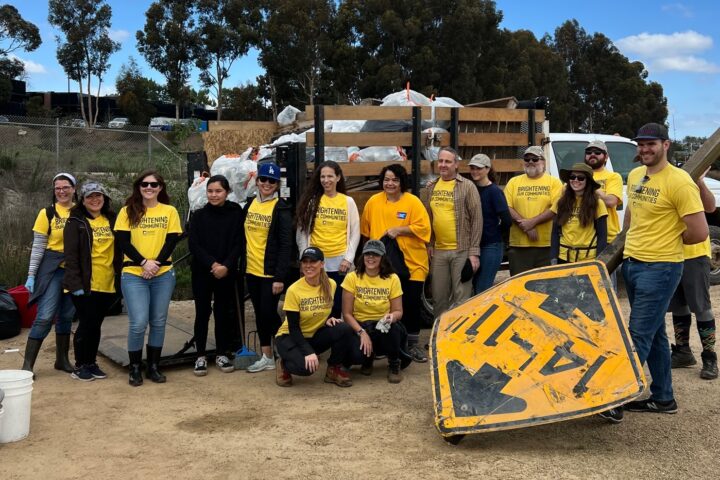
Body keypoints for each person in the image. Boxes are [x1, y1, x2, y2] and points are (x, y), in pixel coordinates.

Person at [619, 123, 708, 419]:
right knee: (655, 333)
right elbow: (633, 212)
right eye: (641, 144)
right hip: (632, 264)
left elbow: (698, 232)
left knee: (638, 334)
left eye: (651, 144)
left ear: (666, 145)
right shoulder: (635, 175)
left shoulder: (680, 182)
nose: (644, 149)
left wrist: (667, 239)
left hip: (661, 267)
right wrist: (629, 237)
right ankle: (664, 398)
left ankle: (613, 399)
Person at [115, 170, 182, 386]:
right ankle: (135, 367)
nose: (149, 188)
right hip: (134, 273)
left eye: (154, 185)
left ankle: (154, 366)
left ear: (160, 188)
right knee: (138, 322)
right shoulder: (127, 211)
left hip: (162, 274)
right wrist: (145, 263)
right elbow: (123, 242)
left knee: (158, 321)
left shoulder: (169, 211)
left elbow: (172, 241)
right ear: (139, 187)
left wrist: (156, 265)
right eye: (145, 184)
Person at [360, 164, 431, 362]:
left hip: (412, 262)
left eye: (395, 180)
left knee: (411, 303)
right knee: (386, 303)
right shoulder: (373, 202)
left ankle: (412, 344)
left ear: (402, 182)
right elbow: (366, 234)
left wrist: (399, 230)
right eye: (387, 179)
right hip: (385, 264)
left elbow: (424, 228)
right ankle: (387, 343)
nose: (390, 184)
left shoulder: (413, 202)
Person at [62, 182, 122, 382]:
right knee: (86, 324)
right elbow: (70, 256)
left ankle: (91, 363)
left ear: (105, 199)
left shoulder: (112, 219)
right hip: (86, 283)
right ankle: (80, 365)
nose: (95, 200)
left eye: (98, 196)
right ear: (83, 200)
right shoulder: (75, 221)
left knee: (96, 324)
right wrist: (74, 284)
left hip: (107, 281)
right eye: (90, 197)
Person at [274, 247, 356, 388]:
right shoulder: (294, 290)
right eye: (305, 262)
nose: (308, 265)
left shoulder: (331, 284)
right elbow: (293, 328)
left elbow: (324, 307)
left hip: (313, 335)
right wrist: (309, 352)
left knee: (344, 328)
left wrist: (328, 318)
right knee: (307, 368)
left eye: (313, 261)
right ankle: (283, 364)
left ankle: (333, 369)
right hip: (289, 337)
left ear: (322, 264)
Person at [21, 173, 78, 377]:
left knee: (66, 316)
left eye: (65, 187)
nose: (61, 191)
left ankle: (62, 360)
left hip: (74, 270)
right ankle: (27, 365)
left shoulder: (82, 212)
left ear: (73, 189)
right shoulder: (47, 213)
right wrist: (31, 275)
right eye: (57, 188)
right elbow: (38, 246)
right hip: (52, 269)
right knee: (45, 316)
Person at [188, 175, 243, 377]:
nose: (213, 195)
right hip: (203, 271)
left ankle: (221, 352)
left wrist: (226, 266)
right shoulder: (199, 216)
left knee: (222, 312)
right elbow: (194, 244)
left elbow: (239, 242)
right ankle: (200, 355)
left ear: (226, 192)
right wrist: (213, 264)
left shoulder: (235, 213)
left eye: (218, 191)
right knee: (202, 312)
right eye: (210, 191)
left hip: (226, 272)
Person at [241, 163, 292, 374]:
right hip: (251, 270)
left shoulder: (281, 209)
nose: (267, 184)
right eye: (263, 180)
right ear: (257, 181)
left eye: (272, 181)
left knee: (268, 313)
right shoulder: (250, 204)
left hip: (270, 273)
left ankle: (285, 349)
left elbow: (286, 245)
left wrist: (280, 277)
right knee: (261, 314)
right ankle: (268, 355)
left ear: (277, 184)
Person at [669, 170, 718, 380]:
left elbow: (710, 207)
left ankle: (710, 357)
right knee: (679, 306)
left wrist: (699, 181)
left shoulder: (688, 180)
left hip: (695, 254)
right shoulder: (664, 178)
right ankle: (683, 352)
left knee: (701, 307)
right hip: (669, 253)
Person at [295, 160, 360, 318]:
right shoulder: (312, 202)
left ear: (338, 178)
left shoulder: (348, 202)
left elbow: (355, 232)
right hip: (317, 262)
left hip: (340, 263)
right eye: (322, 176)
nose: (326, 180)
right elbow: (302, 232)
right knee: (319, 305)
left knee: (338, 305)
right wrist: (306, 258)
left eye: (330, 176)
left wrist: (348, 259)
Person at [424, 147, 482, 320]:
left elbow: (477, 220)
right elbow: (428, 218)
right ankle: (439, 338)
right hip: (439, 252)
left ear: (456, 164)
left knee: (461, 299)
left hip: (461, 251)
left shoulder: (467, 186)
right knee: (439, 298)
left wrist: (473, 253)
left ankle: (458, 341)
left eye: (448, 161)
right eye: (440, 161)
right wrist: (430, 244)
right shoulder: (431, 187)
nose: (443, 165)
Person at [342, 240, 406, 383]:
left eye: (375, 255)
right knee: (354, 354)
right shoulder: (352, 277)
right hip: (360, 325)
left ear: (382, 257)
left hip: (381, 325)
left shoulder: (392, 278)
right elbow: (346, 314)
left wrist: (391, 317)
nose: (371, 258)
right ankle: (367, 359)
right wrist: (361, 332)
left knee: (393, 327)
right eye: (368, 254)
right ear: (363, 256)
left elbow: (398, 311)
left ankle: (394, 363)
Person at [504, 146, 563, 275]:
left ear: (543, 162)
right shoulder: (513, 182)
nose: (530, 162)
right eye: (527, 158)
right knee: (519, 286)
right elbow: (507, 207)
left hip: (546, 245)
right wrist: (526, 226)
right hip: (518, 246)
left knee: (545, 287)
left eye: (535, 159)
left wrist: (532, 223)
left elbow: (556, 208)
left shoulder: (554, 182)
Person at [468, 154, 511, 293]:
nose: (475, 171)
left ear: (487, 169)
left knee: (483, 287)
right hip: (474, 246)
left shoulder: (494, 192)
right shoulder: (470, 189)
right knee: (471, 286)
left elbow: (507, 220)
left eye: (479, 168)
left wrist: (495, 234)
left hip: (491, 246)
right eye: (472, 168)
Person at [550, 163, 608, 264]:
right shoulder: (560, 202)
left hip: (588, 259)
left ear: (588, 182)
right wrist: (553, 257)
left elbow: (602, 236)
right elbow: (555, 233)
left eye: (581, 178)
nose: (575, 180)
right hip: (563, 257)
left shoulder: (598, 204)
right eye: (572, 177)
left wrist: (599, 261)